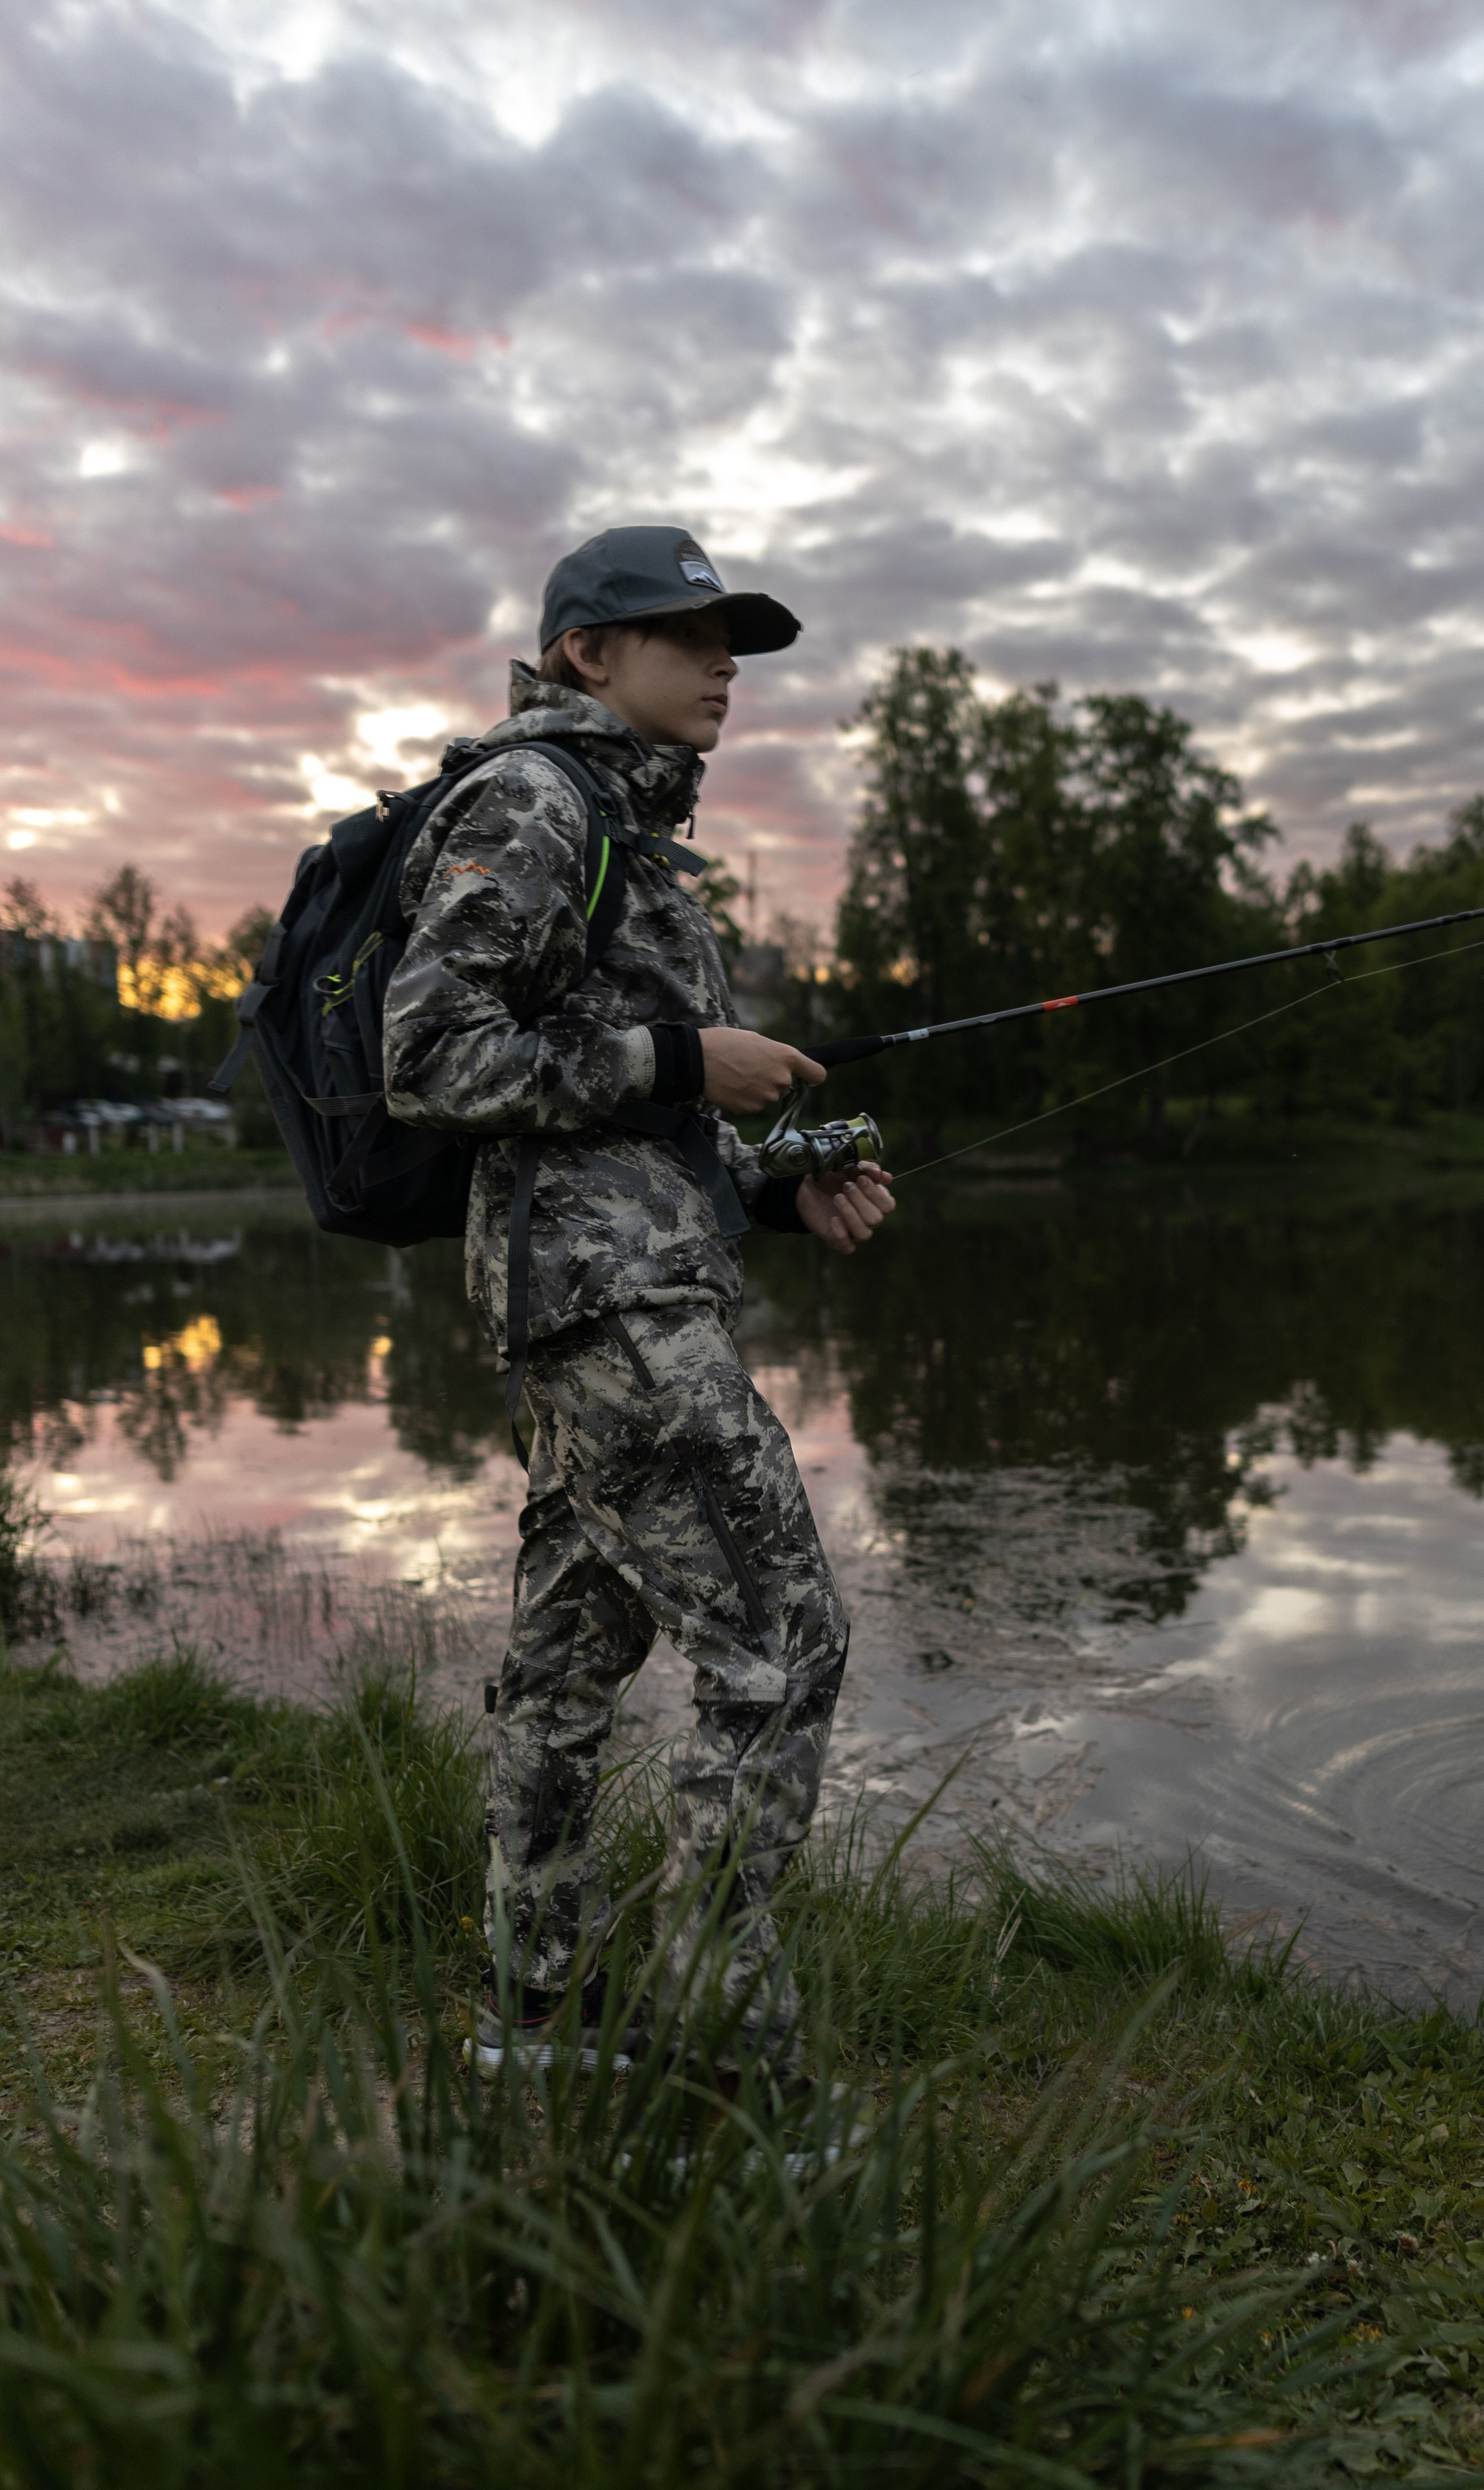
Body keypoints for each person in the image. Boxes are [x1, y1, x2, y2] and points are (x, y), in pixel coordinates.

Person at [381, 523, 894, 2081]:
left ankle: (538, 2026)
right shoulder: (535, 802)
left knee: (560, 1676)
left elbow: (616, 1128)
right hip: (610, 1313)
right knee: (778, 1649)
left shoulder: (632, 830)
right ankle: (726, 2073)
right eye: (689, 634)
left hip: (613, 1288)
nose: (725, 662)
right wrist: (685, 1061)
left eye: (732, 638)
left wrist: (765, 1190)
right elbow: (431, 1060)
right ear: (587, 655)